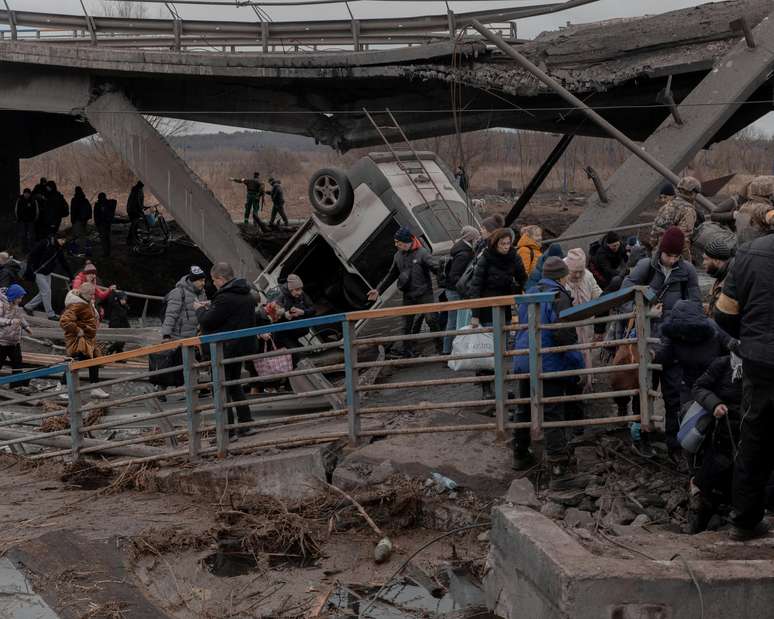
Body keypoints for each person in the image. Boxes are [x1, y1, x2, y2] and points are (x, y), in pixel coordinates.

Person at [713, 210, 774, 540]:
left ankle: (745, 521)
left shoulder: (748, 253)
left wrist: (749, 338)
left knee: (754, 440)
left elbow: (723, 314)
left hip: (759, 363)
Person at [623, 226, 701, 457]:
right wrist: (646, 312)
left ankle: (674, 446)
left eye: (676, 256)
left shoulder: (687, 272)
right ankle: (641, 437)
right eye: (669, 255)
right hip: (646, 340)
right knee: (643, 391)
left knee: (674, 395)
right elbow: (624, 297)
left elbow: (695, 305)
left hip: (673, 343)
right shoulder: (645, 267)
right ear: (661, 251)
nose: (672, 260)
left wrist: (679, 317)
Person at [512, 257, 583, 477]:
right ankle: (558, 465)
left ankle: (520, 453)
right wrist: (577, 363)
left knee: (523, 406)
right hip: (547, 360)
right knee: (552, 410)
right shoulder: (558, 296)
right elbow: (564, 333)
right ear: (562, 276)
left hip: (524, 357)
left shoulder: (530, 293)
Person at [196, 262, 258, 439]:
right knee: (234, 385)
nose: (214, 283)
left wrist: (200, 309)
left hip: (224, 348)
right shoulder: (246, 294)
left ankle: (228, 431)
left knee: (220, 389)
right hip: (240, 347)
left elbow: (208, 321)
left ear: (221, 279)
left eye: (214, 280)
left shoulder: (224, 297)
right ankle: (246, 424)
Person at [468, 228, 527, 399]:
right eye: (502, 243)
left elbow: (523, 277)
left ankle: (501, 385)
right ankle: (487, 389)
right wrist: (475, 314)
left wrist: (529, 293)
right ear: (495, 243)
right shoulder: (486, 257)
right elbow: (476, 286)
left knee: (502, 348)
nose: (506, 247)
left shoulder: (513, 256)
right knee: (487, 348)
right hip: (487, 308)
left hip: (504, 307)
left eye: (508, 243)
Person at [688, 354, 743, 534]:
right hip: (723, 437)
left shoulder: (763, 364)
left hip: (753, 436)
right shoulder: (723, 364)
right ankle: (697, 528)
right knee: (711, 488)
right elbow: (699, 387)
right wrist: (714, 404)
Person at [368, 227, 441, 358]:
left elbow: (436, 268)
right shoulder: (398, 256)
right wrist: (378, 290)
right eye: (396, 242)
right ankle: (407, 352)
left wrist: (445, 278)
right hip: (408, 295)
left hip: (424, 293)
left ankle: (440, 349)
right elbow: (391, 274)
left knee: (431, 320)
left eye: (398, 242)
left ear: (407, 241)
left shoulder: (422, 253)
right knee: (406, 325)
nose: (396, 245)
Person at [58, 282, 109, 399]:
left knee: (93, 360)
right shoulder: (77, 305)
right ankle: (62, 386)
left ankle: (94, 387)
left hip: (88, 339)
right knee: (75, 362)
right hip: (78, 340)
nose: (93, 297)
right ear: (84, 293)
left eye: (93, 294)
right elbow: (64, 321)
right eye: (91, 294)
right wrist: (77, 330)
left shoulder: (87, 302)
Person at [563, 248, 602, 400]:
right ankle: (574, 381)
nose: (578, 275)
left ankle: (588, 380)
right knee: (572, 351)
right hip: (569, 324)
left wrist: (600, 300)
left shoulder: (588, 276)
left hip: (586, 321)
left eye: (580, 271)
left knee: (586, 350)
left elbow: (597, 293)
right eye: (574, 272)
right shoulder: (561, 276)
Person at [443, 225, 480, 354]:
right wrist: (464, 289)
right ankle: (447, 351)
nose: (478, 240)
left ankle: (450, 350)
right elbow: (455, 276)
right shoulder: (464, 254)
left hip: (452, 290)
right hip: (455, 291)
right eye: (476, 237)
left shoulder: (459, 249)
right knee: (454, 321)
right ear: (471, 238)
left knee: (454, 320)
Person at [23, 235, 73, 320]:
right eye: (62, 239)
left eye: (65, 240)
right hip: (38, 271)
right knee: (46, 291)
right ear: (57, 238)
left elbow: (63, 262)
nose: (64, 242)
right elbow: (32, 254)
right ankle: (50, 314)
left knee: (44, 292)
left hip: (47, 273)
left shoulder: (58, 249)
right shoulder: (45, 243)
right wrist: (29, 269)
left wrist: (70, 275)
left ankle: (28, 306)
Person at [650, 176, 700, 261]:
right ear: (693, 193)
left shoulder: (666, 206)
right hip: (673, 258)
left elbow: (654, 233)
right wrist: (687, 262)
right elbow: (683, 239)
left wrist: (656, 249)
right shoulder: (689, 210)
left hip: (658, 254)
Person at [161, 266, 208, 340]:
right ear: (193, 281)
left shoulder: (202, 293)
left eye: (204, 280)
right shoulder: (178, 292)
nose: (203, 283)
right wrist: (166, 335)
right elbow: (171, 315)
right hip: (178, 337)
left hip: (196, 337)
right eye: (201, 280)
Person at [0, 284, 32, 387]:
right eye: (19, 298)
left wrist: (26, 326)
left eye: (21, 298)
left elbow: (20, 317)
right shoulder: (1, 305)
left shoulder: (16, 306)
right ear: (13, 297)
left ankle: (16, 385)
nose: (20, 300)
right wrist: (9, 321)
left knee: (17, 364)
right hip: (2, 341)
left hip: (14, 341)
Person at [703, 236, 734, 316]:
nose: (703, 263)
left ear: (717, 261)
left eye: (706, 259)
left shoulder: (731, 282)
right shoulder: (720, 277)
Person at [105, 290, 130, 355]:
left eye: (125, 299)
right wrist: (113, 291)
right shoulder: (115, 305)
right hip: (115, 325)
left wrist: (129, 328)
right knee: (121, 340)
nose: (123, 301)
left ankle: (116, 353)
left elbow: (125, 319)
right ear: (119, 299)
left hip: (122, 326)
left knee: (123, 340)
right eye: (122, 299)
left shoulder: (125, 306)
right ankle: (111, 350)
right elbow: (111, 299)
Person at [69, 186, 92, 254]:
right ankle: (82, 250)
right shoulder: (85, 200)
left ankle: (78, 251)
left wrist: (72, 221)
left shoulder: (74, 200)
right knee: (82, 236)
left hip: (77, 220)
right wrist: (87, 218)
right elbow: (89, 210)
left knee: (76, 236)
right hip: (84, 220)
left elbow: (73, 211)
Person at [93, 192, 117, 258]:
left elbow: (96, 215)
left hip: (103, 224)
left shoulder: (100, 204)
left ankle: (106, 253)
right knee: (106, 238)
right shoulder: (107, 204)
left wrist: (97, 223)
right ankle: (107, 252)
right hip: (106, 223)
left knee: (104, 239)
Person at [126, 180, 145, 245]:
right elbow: (137, 201)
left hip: (133, 209)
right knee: (134, 225)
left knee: (135, 225)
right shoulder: (137, 190)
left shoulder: (138, 189)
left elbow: (139, 201)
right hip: (133, 210)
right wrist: (140, 209)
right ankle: (131, 239)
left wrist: (142, 207)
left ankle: (133, 238)